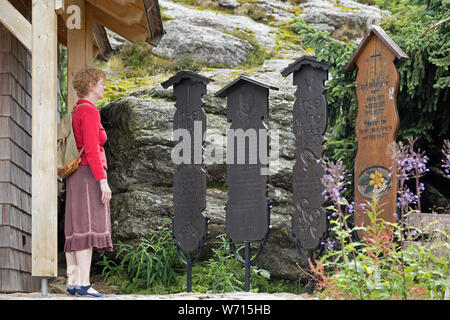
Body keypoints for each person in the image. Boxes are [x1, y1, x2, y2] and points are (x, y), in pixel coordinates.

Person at [64, 68, 112, 298]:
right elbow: (93, 149)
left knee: (75, 228)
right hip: (88, 175)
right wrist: (102, 181)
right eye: (102, 83)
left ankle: (73, 283)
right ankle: (83, 284)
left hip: (75, 176)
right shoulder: (90, 112)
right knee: (87, 228)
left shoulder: (76, 111)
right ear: (91, 85)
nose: (104, 86)